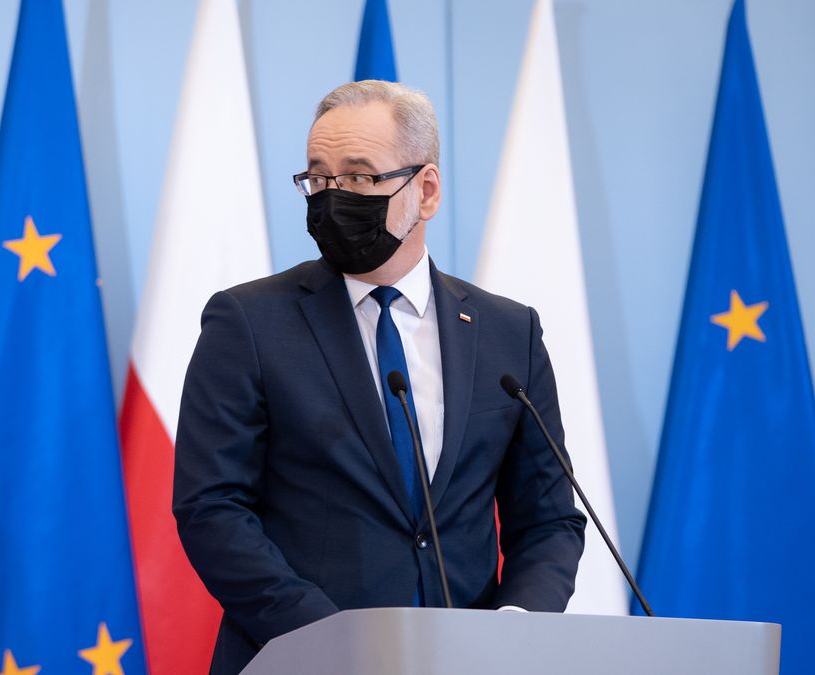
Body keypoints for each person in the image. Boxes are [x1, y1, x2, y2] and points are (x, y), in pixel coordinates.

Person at [173, 80, 586, 674]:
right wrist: (331, 640)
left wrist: (514, 629)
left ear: (427, 189)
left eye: (361, 177)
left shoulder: (507, 331)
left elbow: (548, 519)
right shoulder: (248, 322)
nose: (334, 195)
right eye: (319, 178)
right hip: (303, 659)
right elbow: (211, 506)